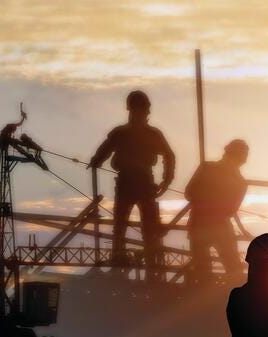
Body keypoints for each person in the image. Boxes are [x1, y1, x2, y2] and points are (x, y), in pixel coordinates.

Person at [89, 90, 175, 280]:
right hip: (136, 182)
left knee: (131, 225)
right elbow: (105, 149)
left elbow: (169, 156)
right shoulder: (131, 133)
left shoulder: (132, 133)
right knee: (127, 225)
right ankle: (139, 261)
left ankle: (143, 261)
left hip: (136, 182)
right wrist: (166, 180)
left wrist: (167, 180)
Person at [185, 139, 248, 282]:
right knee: (233, 268)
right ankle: (232, 298)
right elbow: (231, 210)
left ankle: (205, 297)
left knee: (202, 269)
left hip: (199, 223)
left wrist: (205, 200)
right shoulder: (240, 182)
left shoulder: (207, 168)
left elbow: (189, 193)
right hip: (220, 226)